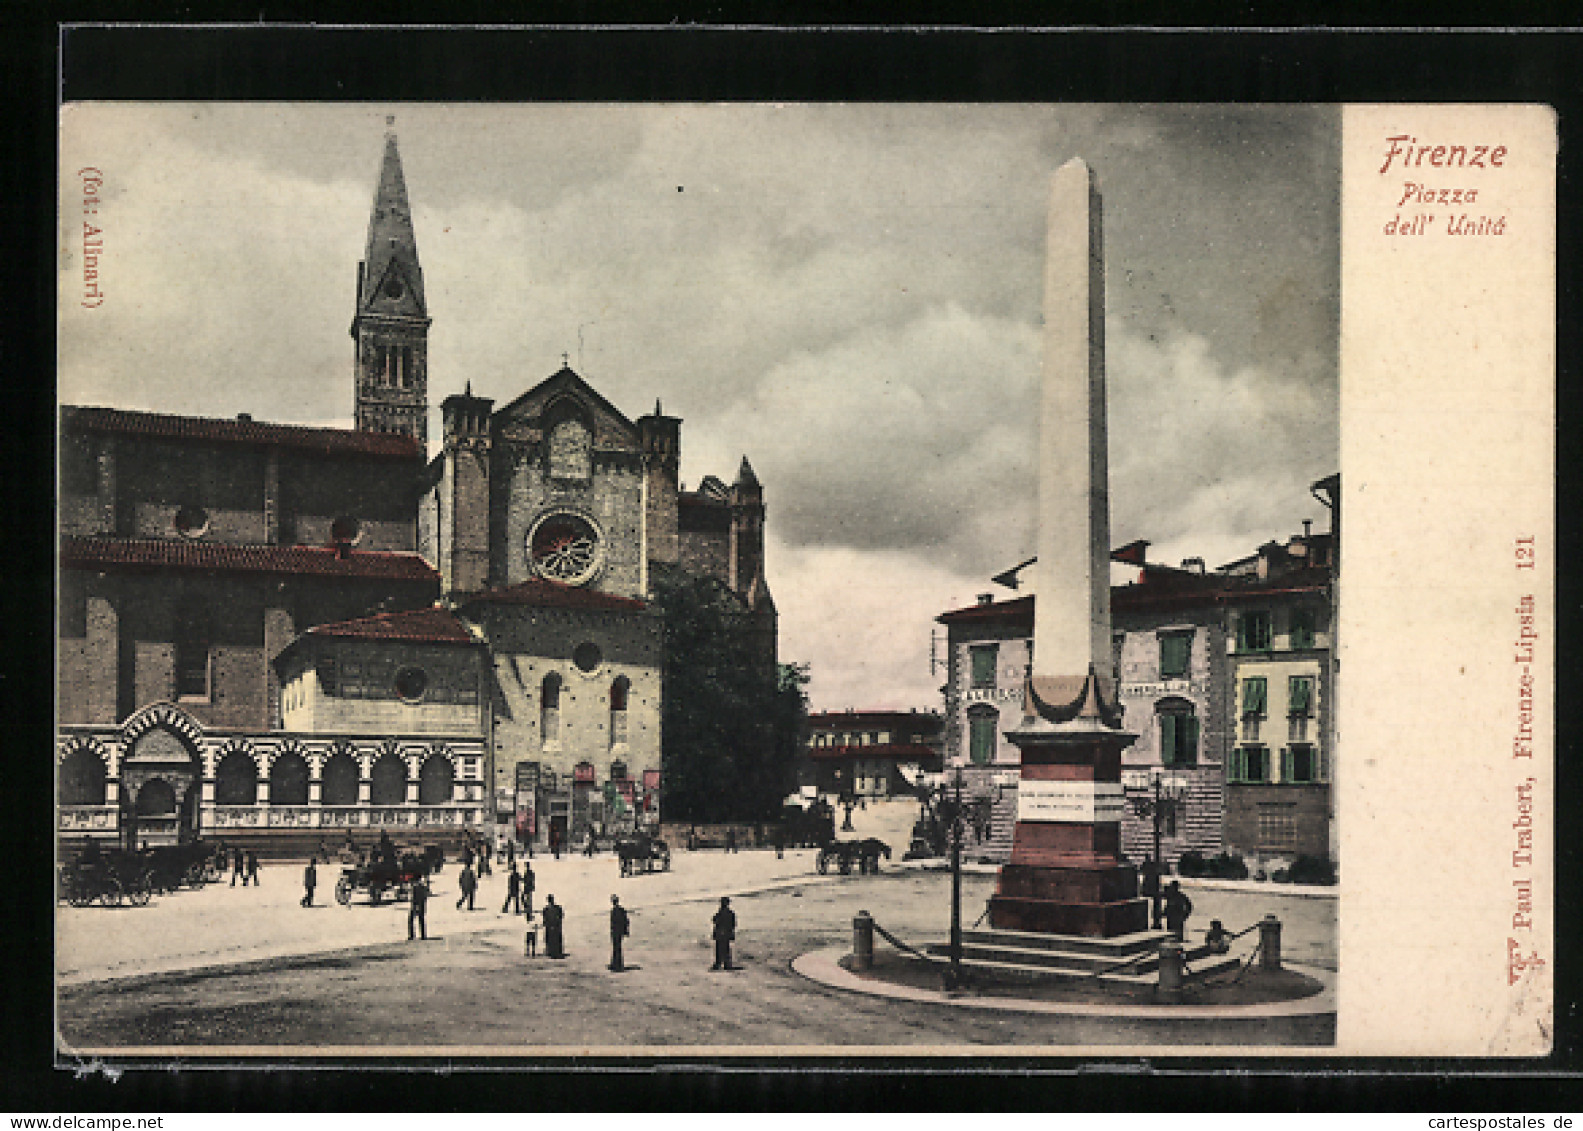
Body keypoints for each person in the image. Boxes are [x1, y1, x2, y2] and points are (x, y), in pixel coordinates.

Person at [711, 896, 737, 971]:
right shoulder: (730, 913)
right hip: (726, 933)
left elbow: (714, 920)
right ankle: (726, 963)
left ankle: (719, 964)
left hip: (720, 933)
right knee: (726, 949)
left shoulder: (721, 913)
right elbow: (733, 924)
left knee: (719, 949)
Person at [608, 894, 630, 972]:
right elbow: (626, 921)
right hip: (619, 932)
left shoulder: (614, 911)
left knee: (615, 948)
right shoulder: (621, 910)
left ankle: (616, 965)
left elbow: (613, 923)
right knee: (618, 948)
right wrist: (626, 931)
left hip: (615, 932)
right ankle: (618, 964)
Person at [408, 875, 429, 941]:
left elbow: (414, 898)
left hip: (416, 904)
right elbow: (425, 896)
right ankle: (423, 935)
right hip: (422, 904)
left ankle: (412, 935)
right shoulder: (423, 886)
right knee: (421, 920)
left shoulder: (415, 887)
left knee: (411, 920)